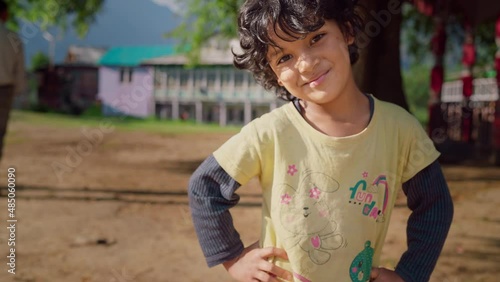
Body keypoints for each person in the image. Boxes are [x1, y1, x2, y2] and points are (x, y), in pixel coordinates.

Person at [188, 0, 454, 281]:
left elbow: (435, 205)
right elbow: (206, 187)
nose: (306, 63)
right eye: (284, 58)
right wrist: (234, 258)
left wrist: (410, 274)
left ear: (348, 30)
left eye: (316, 38)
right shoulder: (270, 132)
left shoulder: (400, 129)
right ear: (274, 74)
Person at [0, 0, 25, 161]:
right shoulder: (13, 38)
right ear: (5, 14)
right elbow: (19, 69)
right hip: (5, 90)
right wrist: (18, 91)